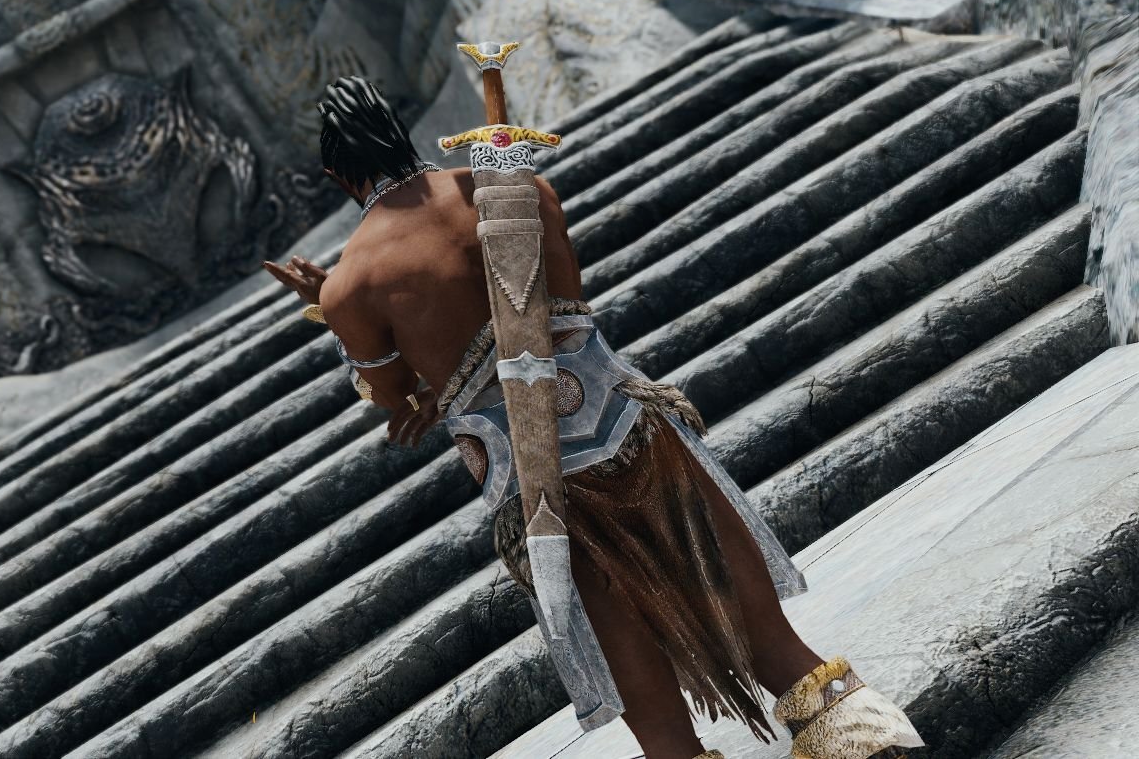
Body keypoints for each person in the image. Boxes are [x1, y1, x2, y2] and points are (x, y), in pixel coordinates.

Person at [263, 76, 925, 759]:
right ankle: (859, 737)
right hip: (627, 428)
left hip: (540, 487)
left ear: (338, 178)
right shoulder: (518, 188)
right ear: (401, 135)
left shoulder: (353, 283)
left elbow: (392, 394)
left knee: (641, 683)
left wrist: (335, 310)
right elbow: (565, 309)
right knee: (756, 618)